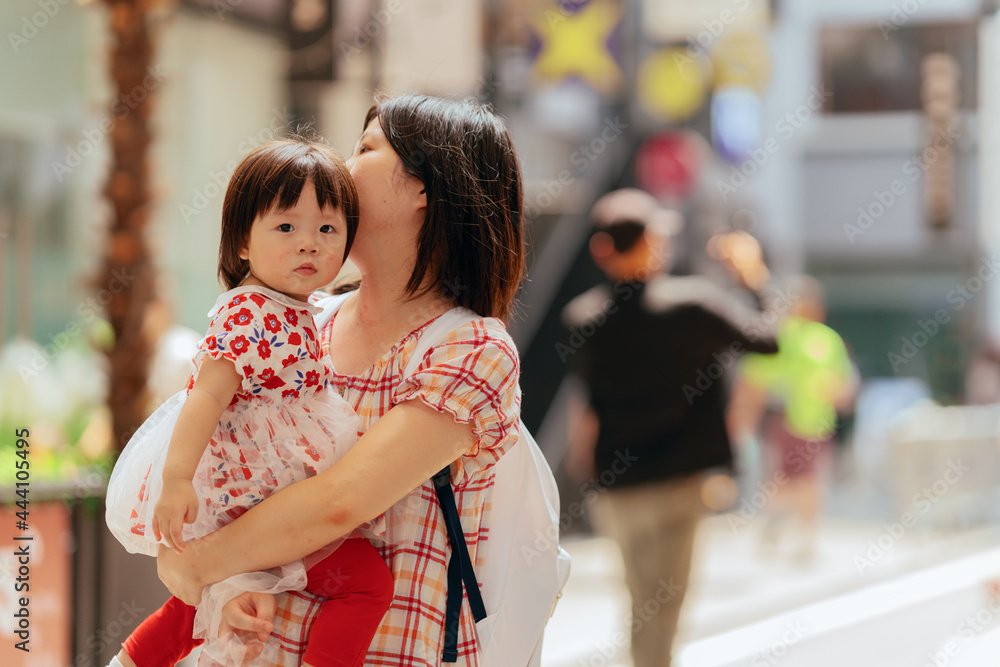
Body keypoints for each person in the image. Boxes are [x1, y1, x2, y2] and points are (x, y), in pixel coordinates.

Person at [154, 94, 525, 666]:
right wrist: (227, 583)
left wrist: (198, 564)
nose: (344, 168)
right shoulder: (305, 323)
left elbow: (337, 503)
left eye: (365, 148)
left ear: (423, 188)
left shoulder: (471, 349)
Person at [104, 139, 394, 667]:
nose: (309, 244)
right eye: (286, 227)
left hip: (271, 495)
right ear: (242, 241)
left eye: (327, 229)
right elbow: (204, 398)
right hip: (248, 498)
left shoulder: (302, 308)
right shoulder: (247, 313)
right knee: (364, 583)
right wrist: (176, 481)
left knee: (211, 610)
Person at [561, 189, 779, 667]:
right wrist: (754, 277)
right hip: (680, 483)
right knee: (663, 610)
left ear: (603, 250)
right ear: (652, 242)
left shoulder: (581, 318)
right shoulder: (694, 306)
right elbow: (769, 339)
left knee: (641, 602)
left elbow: (589, 405)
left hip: (615, 487)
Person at [730, 275, 856, 559]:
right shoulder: (780, 337)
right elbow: (754, 382)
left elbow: (843, 383)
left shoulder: (825, 339)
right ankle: (780, 523)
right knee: (783, 483)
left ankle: (804, 537)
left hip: (815, 424)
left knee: (809, 483)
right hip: (783, 423)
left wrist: (837, 393)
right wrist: (743, 422)